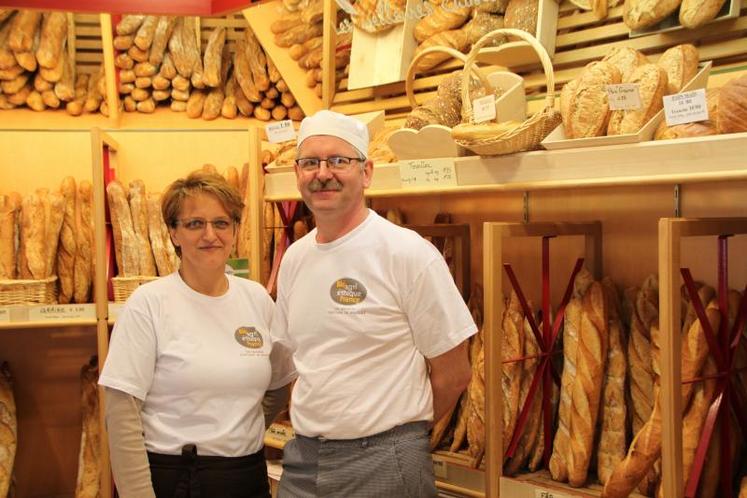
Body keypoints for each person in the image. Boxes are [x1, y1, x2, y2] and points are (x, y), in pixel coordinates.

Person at [272, 110, 476, 497]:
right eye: (310, 162)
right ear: (297, 173)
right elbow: (299, 361)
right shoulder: (295, 259)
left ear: (366, 172)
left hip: (386, 461)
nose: (322, 173)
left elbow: (454, 372)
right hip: (304, 461)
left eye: (338, 161)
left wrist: (401, 434)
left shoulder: (407, 253)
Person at [99, 171, 295, 498]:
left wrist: (239, 431)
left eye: (221, 223)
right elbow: (121, 413)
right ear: (173, 233)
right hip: (175, 479)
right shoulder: (149, 303)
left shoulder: (257, 298)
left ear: (234, 230)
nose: (210, 235)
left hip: (246, 476)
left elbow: (279, 382)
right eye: (194, 224)